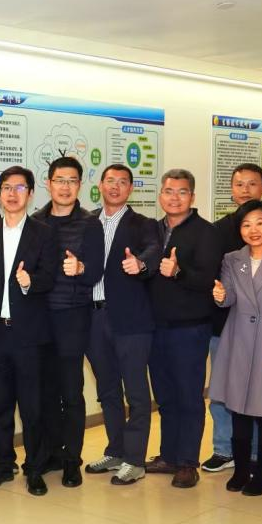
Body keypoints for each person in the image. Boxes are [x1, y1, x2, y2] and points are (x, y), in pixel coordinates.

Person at [203, 163, 262, 474]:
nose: (245, 189)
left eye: (252, 183)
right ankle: (230, 456)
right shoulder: (224, 241)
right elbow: (225, 290)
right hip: (234, 335)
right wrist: (220, 295)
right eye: (239, 184)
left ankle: (261, 464)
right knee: (232, 401)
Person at [0, 166, 60, 495]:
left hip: (30, 336)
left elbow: (50, 277)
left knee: (32, 406)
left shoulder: (44, 233)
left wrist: (29, 282)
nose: (12, 194)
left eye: (19, 188)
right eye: (7, 188)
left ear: (31, 193)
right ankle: (1, 464)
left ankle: (35, 467)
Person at [84, 164, 161, 485]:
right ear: (100, 185)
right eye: (110, 181)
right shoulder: (88, 221)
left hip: (131, 320)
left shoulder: (143, 224)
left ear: (130, 188)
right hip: (93, 318)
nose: (115, 186)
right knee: (107, 390)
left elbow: (154, 250)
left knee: (137, 393)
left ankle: (135, 459)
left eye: (122, 182)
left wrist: (140, 263)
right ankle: (115, 450)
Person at [31, 157, 105, 488]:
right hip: (39, 317)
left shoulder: (90, 224)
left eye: (72, 181)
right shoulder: (35, 221)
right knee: (45, 390)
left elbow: (97, 271)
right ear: (48, 183)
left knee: (71, 392)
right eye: (59, 180)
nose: (65, 187)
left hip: (72, 317)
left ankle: (72, 460)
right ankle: (51, 452)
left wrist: (81, 269)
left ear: (80, 185)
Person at [145, 169, 220, 488]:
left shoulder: (206, 232)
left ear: (192, 196)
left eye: (182, 192)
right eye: (169, 191)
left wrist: (178, 272)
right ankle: (169, 456)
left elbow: (210, 279)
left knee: (188, 396)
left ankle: (188, 462)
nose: (174, 198)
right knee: (165, 397)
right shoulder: (152, 230)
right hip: (155, 327)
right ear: (160, 195)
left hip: (190, 328)